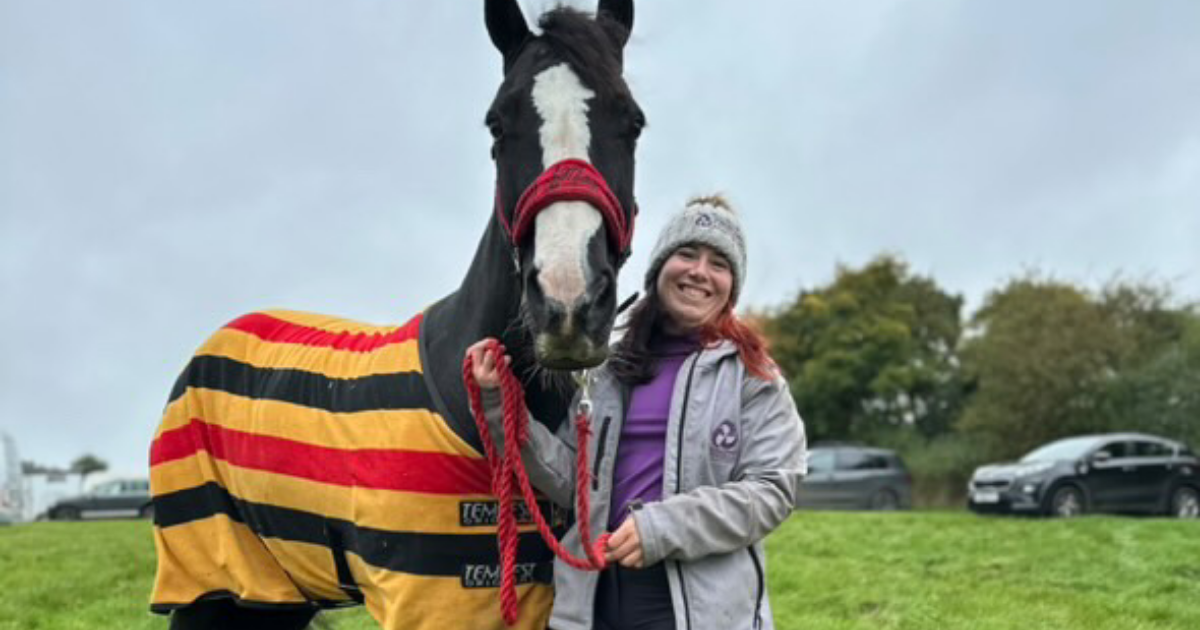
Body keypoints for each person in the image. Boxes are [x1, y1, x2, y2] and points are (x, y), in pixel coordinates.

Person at [468, 195, 806, 630]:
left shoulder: (754, 379)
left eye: (718, 263)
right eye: (687, 254)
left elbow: (772, 490)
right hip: (592, 600)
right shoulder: (610, 369)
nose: (700, 272)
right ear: (660, 268)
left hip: (698, 611)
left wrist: (660, 529)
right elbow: (571, 480)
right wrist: (501, 404)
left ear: (731, 286)